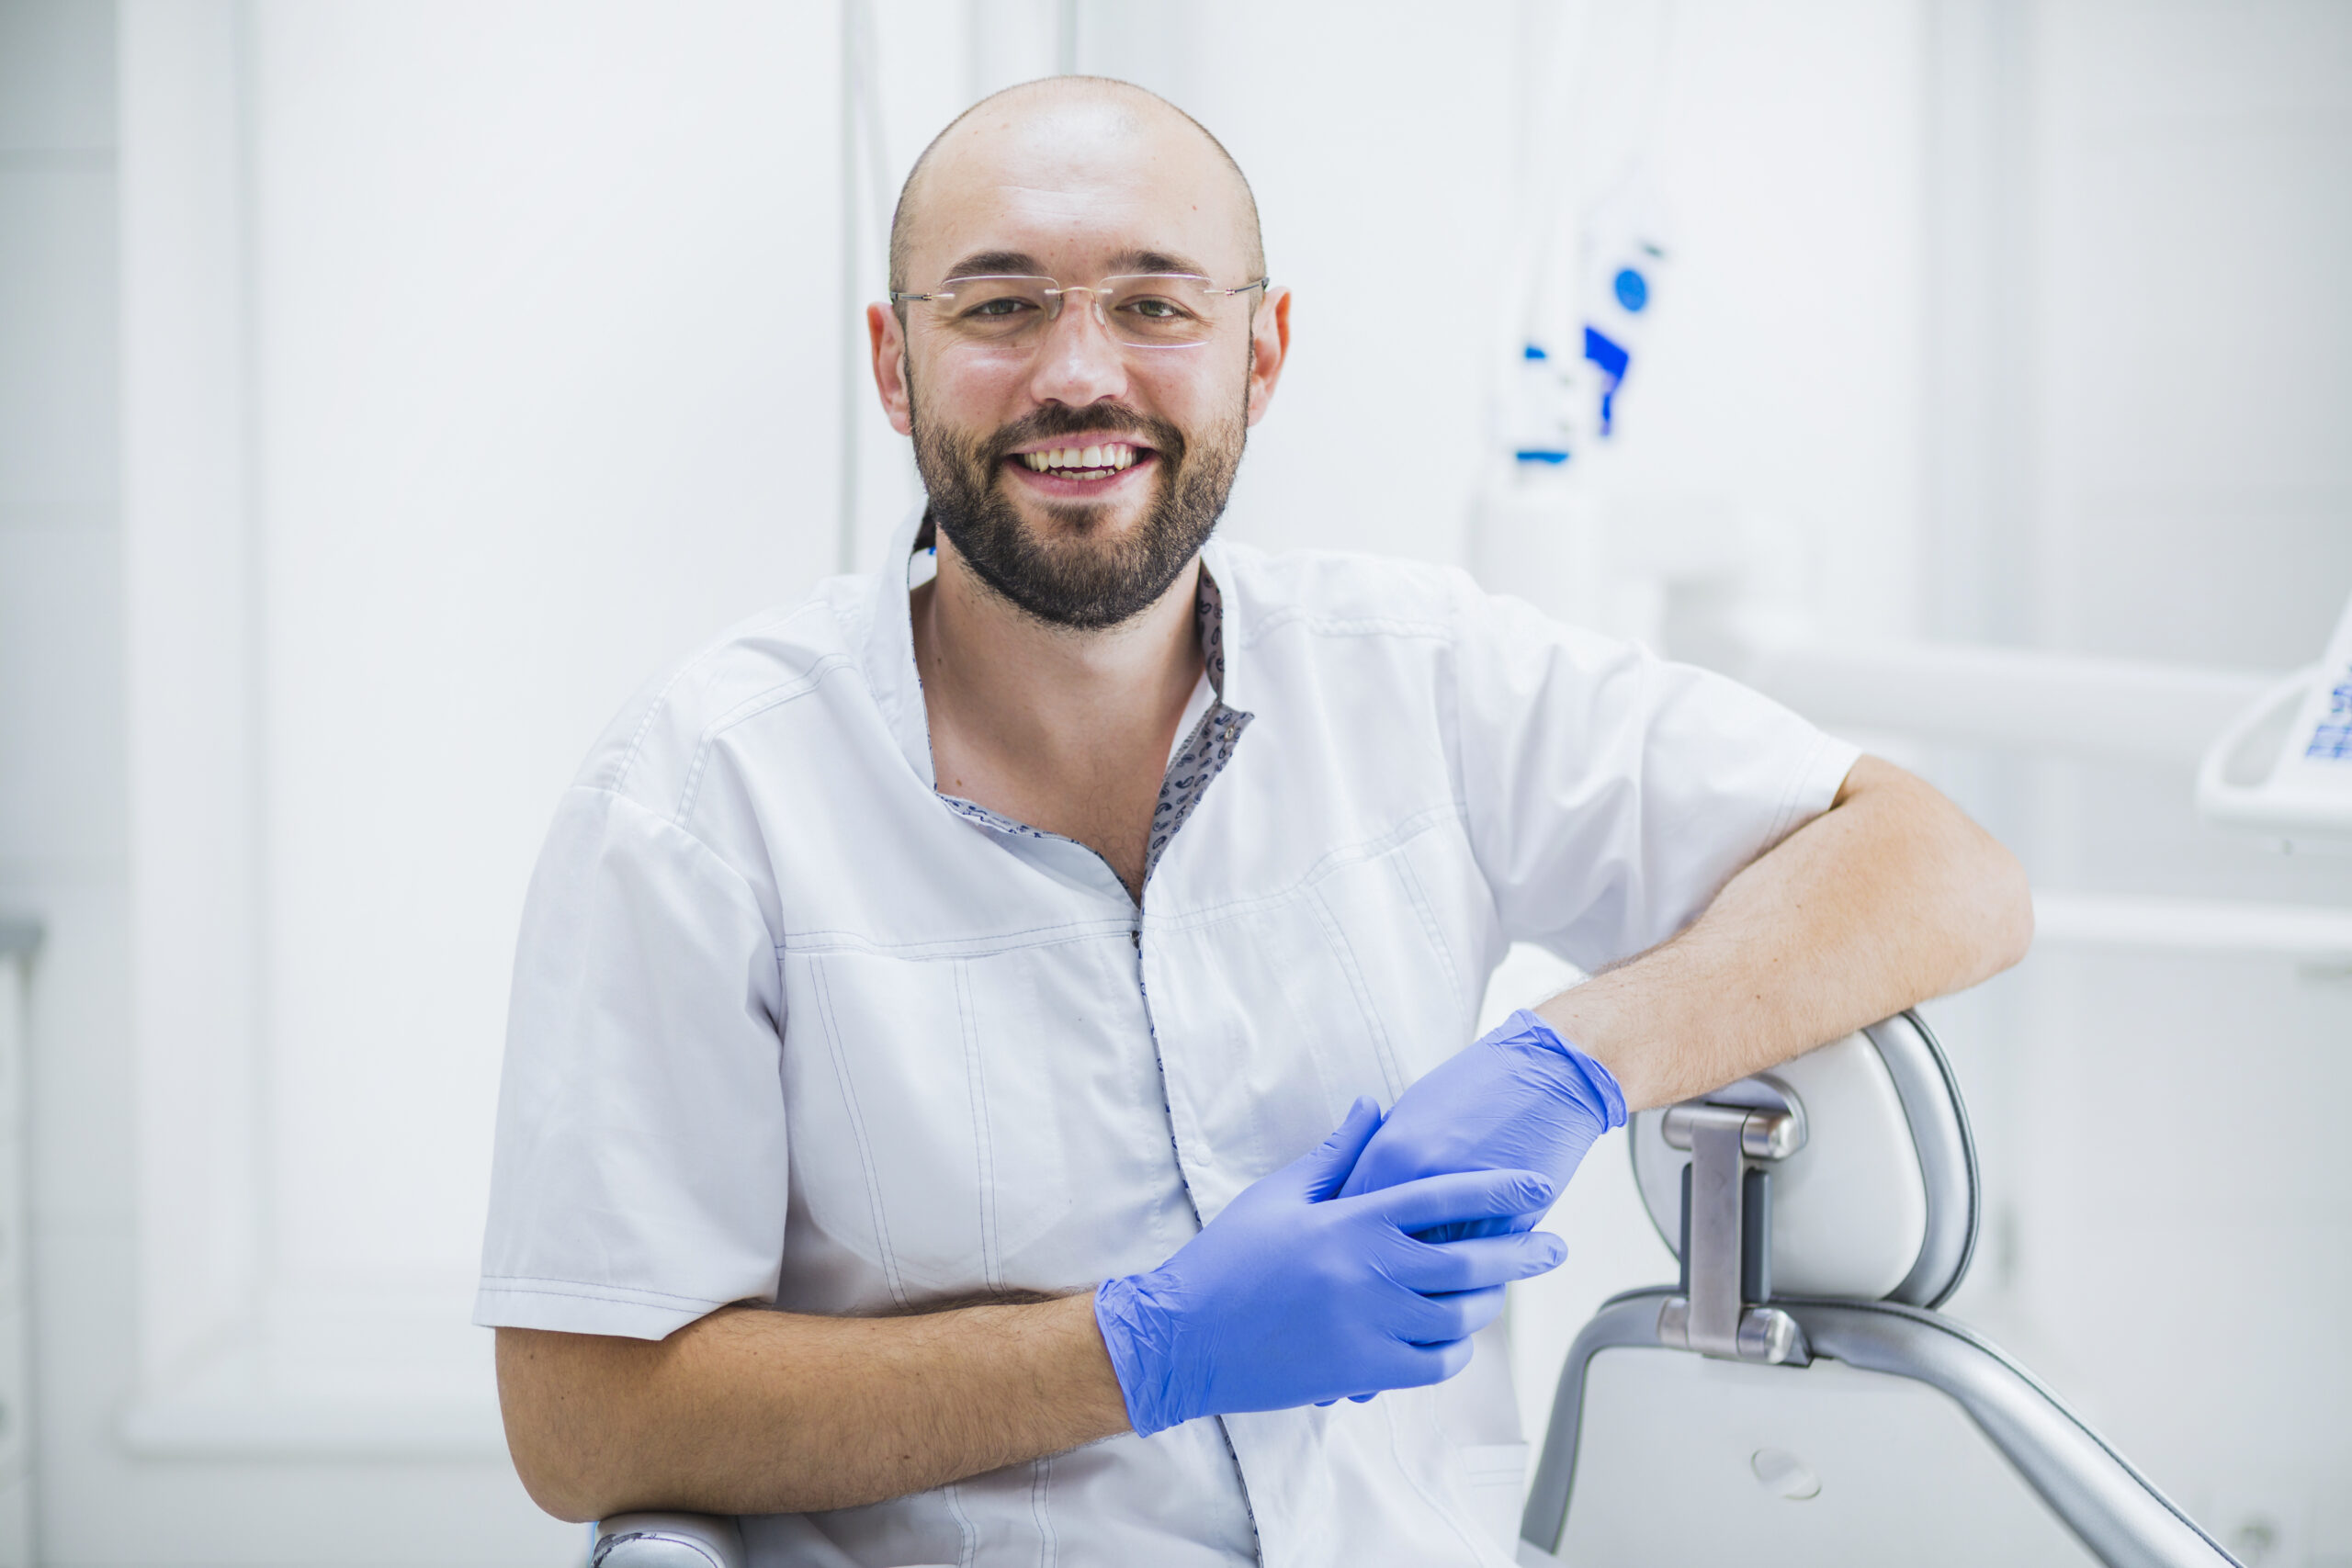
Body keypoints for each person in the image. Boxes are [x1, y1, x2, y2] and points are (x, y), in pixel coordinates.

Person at [479, 75, 2032, 1568]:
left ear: (1262, 353)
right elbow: (583, 1423)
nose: (1079, 373)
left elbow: (1937, 868)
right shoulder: (700, 799)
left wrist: (1567, 1063)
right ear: (894, 363)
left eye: (1155, 304)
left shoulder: (1424, 678)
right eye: (1002, 304)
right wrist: (1143, 1349)